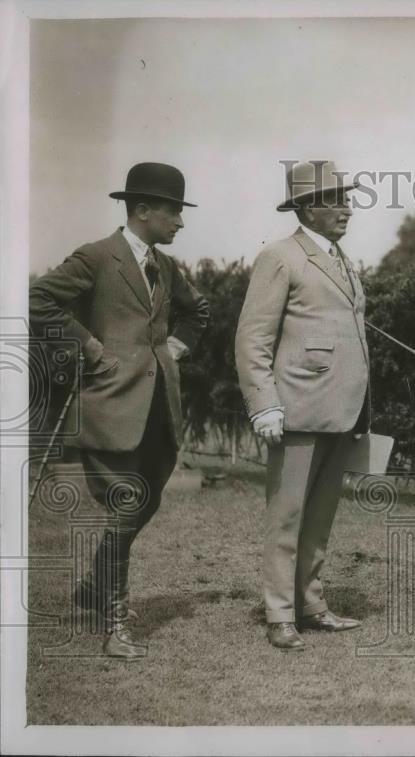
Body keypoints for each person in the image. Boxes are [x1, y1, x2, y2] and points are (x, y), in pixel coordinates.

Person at [29, 162, 209, 658]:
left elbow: (198, 310)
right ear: (143, 210)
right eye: (173, 212)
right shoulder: (96, 256)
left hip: (159, 410)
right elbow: (39, 300)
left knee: (145, 501)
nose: (180, 222)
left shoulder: (166, 267)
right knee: (127, 503)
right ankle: (116, 623)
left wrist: (174, 348)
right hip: (109, 405)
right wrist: (89, 347)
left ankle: (93, 585)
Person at [235, 160, 370, 651]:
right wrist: (264, 404)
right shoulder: (280, 256)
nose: (347, 209)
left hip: (342, 410)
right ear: (308, 208)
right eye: (336, 200)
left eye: (347, 199)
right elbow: (252, 338)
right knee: (286, 517)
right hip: (295, 409)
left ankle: (311, 605)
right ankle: (279, 614)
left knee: (320, 517)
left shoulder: (342, 259)